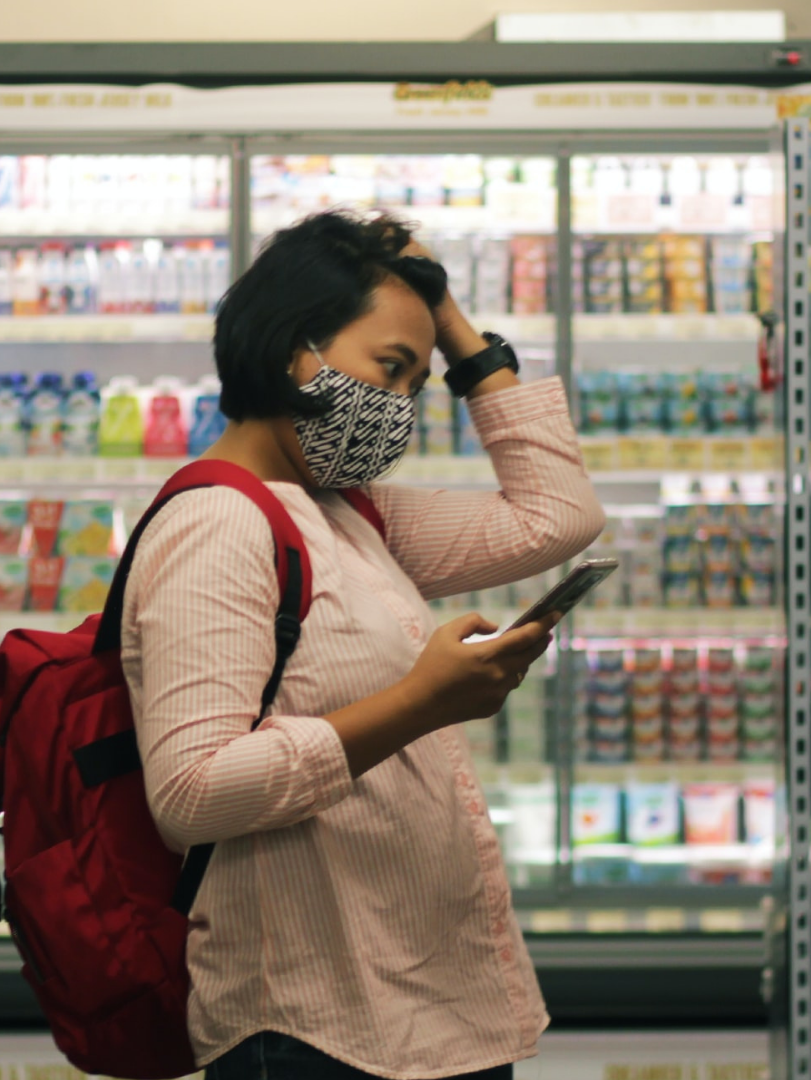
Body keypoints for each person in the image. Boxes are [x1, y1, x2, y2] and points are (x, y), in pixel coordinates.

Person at [119, 210, 605, 1080]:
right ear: (296, 350)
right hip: (314, 1030)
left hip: (417, 1008)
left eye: (417, 382)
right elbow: (192, 794)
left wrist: (448, 319)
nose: (400, 405)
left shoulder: (348, 514)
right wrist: (424, 703)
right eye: (390, 367)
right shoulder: (221, 523)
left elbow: (558, 515)